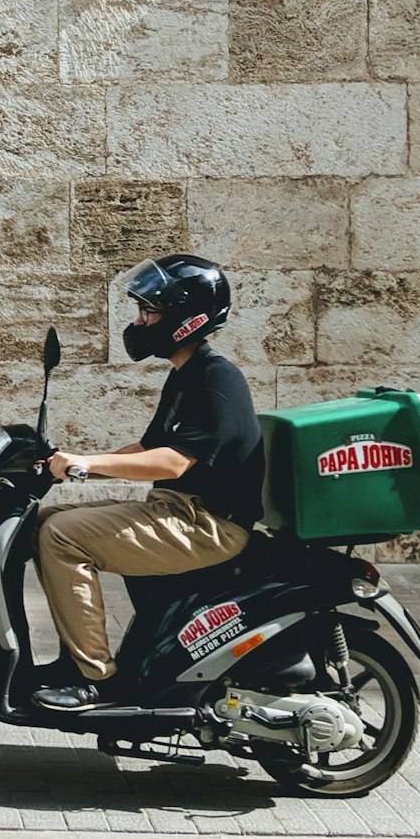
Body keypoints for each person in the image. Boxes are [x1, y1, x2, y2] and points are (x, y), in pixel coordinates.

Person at [31, 254, 264, 711]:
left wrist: (85, 465)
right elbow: (145, 448)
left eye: (149, 312)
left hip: (209, 524)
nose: (139, 322)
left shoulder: (217, 378)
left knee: (60, 537)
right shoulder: (184, 376)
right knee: (43, 521)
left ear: (185, 317)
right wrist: (71, 463)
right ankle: (71, 656)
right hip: (178, 512)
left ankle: (94, 679)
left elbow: (174, 462)